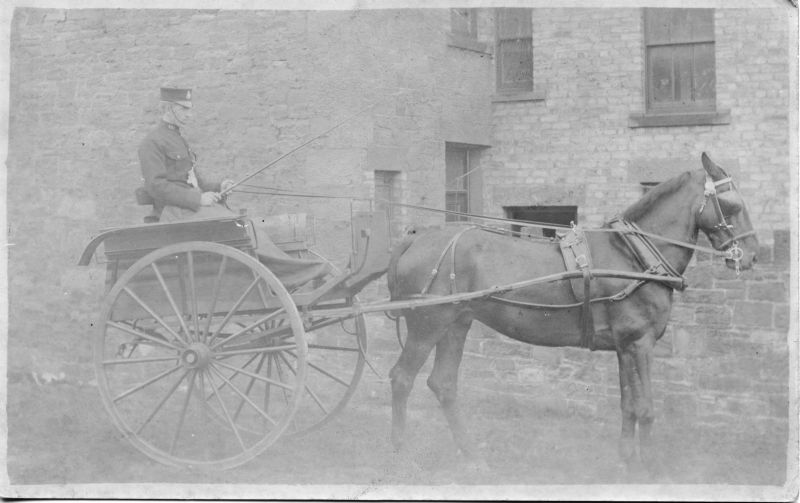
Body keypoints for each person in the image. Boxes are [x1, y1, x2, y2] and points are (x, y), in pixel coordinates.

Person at [137, 87, 331, 288]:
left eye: (190, 109)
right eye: (184, 109)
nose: (189, 114)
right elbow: (156, 186)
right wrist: (197, 199)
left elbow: (194, 181)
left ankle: (286, 273)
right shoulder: (152, 143)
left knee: (247, 225)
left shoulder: (178, 140)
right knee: (239, 227)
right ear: (169, 107)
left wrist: (220, 186)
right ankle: (284, 275)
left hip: (192, 211)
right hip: (175, 215)